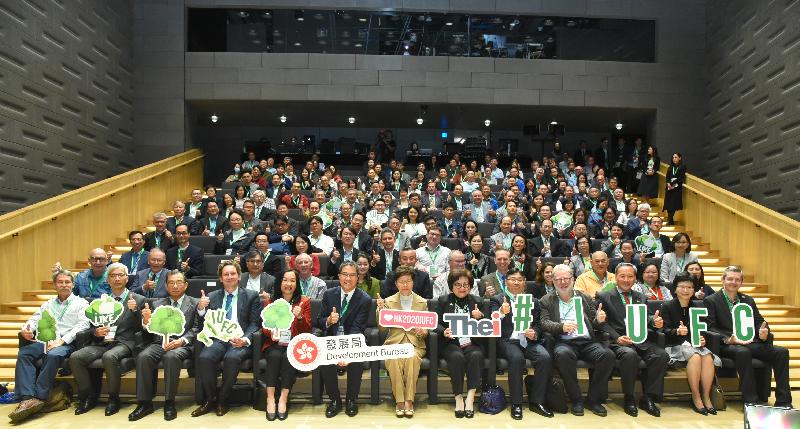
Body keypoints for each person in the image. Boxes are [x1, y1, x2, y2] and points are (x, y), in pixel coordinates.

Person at [705, 265, 792, 408]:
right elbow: (710, 327)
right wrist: (728, 339)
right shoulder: (712, 300)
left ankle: (784, 401)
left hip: (750, 342)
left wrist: (763, 332)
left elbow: (759, 322)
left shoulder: (748, 300)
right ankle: (751, 401)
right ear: (723, 280)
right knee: (742, 352)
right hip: (729, 344)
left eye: (737, 279)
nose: (733, 282)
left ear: (741, 282)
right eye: (730, 279)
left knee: (782, 352)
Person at [10, 270, 90, 423]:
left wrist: (62, 341)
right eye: (60, 282)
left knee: (54, 354)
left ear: (73, 285)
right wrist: (26, 329)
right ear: (54, 285)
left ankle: (40, 397)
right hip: (46, 340)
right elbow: (34, 319)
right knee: (25, 353)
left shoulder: (81, 303)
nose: (64, 285)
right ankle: (27, 398)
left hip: (67, 342)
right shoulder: (48, 304)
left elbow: (83, 325)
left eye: (67, 282)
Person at [71, 263, 145, 416]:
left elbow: (143, 328)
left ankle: (113, 398)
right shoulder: (101, 301)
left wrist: (135, 311)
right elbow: (91, 325)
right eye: (113, 276)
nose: (117, 279)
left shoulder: (138, 299)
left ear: (126, 279)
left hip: (124, 342)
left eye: (120, 275)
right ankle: (88, 397)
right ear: (108, 280)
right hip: (102, 342)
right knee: (75, 357)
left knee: (109, 357)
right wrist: (96, 332)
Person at [539, 264, 613, 417]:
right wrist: (561, 327)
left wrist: (599, 320)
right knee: (563, 355)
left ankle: (593, 400)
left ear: (572, 279)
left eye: (566, 278)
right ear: (552, 280)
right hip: (565, 342)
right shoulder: (546, 300)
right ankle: (576, 399)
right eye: (559, 279)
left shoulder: (583, 297)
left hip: (587, 342)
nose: (563, 282)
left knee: (607, 356)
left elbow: (594, 321)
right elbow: (544, 323)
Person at [596, 263, 668, 417]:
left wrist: (654, 322)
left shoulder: (640, 296)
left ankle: (648, 397)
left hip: (640, 340)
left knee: (662, 355)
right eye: (622, 276)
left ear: (635, 278)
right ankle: (629, 396)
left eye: (630, 276)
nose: (626, 280)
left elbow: (646, 317)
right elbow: (602, 324)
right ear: (615, 277)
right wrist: (617, 337)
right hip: (619, 341)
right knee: (629, 355)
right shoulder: (604, 296)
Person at [129, 270, 200, 421]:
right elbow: (149, 330)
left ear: (186, 285)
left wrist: (182, 341)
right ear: (166, 286)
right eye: (171, 283)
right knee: (143, 357)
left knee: (171, 357)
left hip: (181, 344)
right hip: (159, 342)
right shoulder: (157, 304)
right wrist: (146, 320)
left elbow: (196, 328)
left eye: (179, 282)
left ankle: (169, 401)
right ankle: (145, 402)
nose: (175, 286)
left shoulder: (194, 303)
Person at [192, 260, 261, 417]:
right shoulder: (212, 296)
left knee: (232, 358)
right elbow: (204, 323)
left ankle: (223, 399)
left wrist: (245, 339)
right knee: (205, 357)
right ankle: (210, 399)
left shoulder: (251, 296)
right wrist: (201, 309)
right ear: (220, 279)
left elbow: (255, 323)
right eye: (226, 274)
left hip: (240, 340)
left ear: (239, 277)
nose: (229, 277)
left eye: (233, 274)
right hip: (219, 339)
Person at [489, 268, 553, 419]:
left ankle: (537, 401)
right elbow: (492, 322)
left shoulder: (533, 300)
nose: (516, 282)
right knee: (517, 359)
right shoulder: (497, 299)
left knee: (545, 357)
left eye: (520, 279)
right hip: (508, 341)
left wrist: (534, 332)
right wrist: (502, 312)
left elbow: (538, 323)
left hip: (528, 340)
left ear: (525, 283)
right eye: (512, 279)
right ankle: (516, 403)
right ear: (506, 281)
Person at [317, 262, 372, 418]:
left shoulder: (364, 299)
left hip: (353, 340)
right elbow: (319, 321)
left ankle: (351, 399)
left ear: (358, 277)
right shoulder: (329, 294)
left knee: (356, 359)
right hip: (332, 339)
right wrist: (328, 320)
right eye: (345, 275)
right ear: (339, 276)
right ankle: (334, 400)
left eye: (352, 275)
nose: (348, 278)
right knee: (325, 358)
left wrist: (345, 352)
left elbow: (357, 328)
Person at [660, 273, 720, 415]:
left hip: (694, 345)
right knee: (696, 356)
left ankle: (706, 396)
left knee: (708, 357)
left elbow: (704, 328)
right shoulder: (667, 306)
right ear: (675, 289)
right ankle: (696, 396)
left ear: (694, 290)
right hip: (675, 346)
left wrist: (702, 338)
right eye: (682, 286)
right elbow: (664, 331)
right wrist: (677, 331)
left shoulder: (698, 306)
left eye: (689, 287)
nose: (685, 290)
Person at [377, 265, 429, 417]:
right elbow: (381, 329)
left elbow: (426, 330)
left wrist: (422, 332)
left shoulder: (422, 302)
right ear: (396, 284)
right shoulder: (388, 301)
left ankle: (409, 400)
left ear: (413, 282)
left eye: (408, 281)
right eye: (401, 281)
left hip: (415, 343)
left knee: (412, 358)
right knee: (394, 359)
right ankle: (399, 400)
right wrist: (380, 311)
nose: (405, 285)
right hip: (394, 343)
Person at [261, 270, 312, 421]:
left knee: (289, 357)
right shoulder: (270, 301)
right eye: (285, 280)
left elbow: (308, 329)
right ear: (280, 283)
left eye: (292, 281)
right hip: (274, 342)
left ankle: (283, 398)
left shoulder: (304, 301)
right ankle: (270, 398)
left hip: (294, 343)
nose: (288, 284)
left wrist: (300, 317)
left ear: (297, 284)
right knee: (275, 355)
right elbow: (264, 325)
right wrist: (271, 333)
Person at [435, 269, 484, 418]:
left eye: (465, 285)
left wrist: (480, 317)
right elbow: (435, 323)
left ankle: (470, 397)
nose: (462, 288)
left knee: (475, 355)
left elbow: (489, 326)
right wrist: (443, 331)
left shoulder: (477, 301)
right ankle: (458, 397)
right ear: (451, 286)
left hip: (471, 341)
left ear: (470, 286)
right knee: (457, 357)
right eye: (458, 285)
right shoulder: (443, 301)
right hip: (450, 342)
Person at [663, 153, 686, 225]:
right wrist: (668, 183)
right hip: (669, 188)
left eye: (676, 157)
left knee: (673, 204)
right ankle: (670, 219)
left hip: (676, 188)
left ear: (680, 158)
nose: (674, 159)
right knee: (668, 204)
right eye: (673, 157)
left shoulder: (682, 167)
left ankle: (670, 219)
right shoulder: (670, 167)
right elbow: (667, 177)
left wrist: (672, 183)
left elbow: (681, 178)